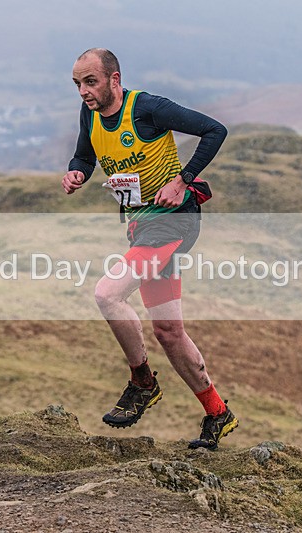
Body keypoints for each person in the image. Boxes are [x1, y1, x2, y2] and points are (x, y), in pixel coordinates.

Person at [61, 48, 237, 450]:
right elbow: (85, 155)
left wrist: (183, 179)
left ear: (114, 80)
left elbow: (215, 130)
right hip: (143, 226)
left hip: (175, 220)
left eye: (90, 82)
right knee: (169, 332)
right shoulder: (89, 114)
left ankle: (142, 382)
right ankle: (217, 412)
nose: (83, 92)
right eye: (77, 84)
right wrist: (77, 172)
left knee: (107, 294)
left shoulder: (148, 109)